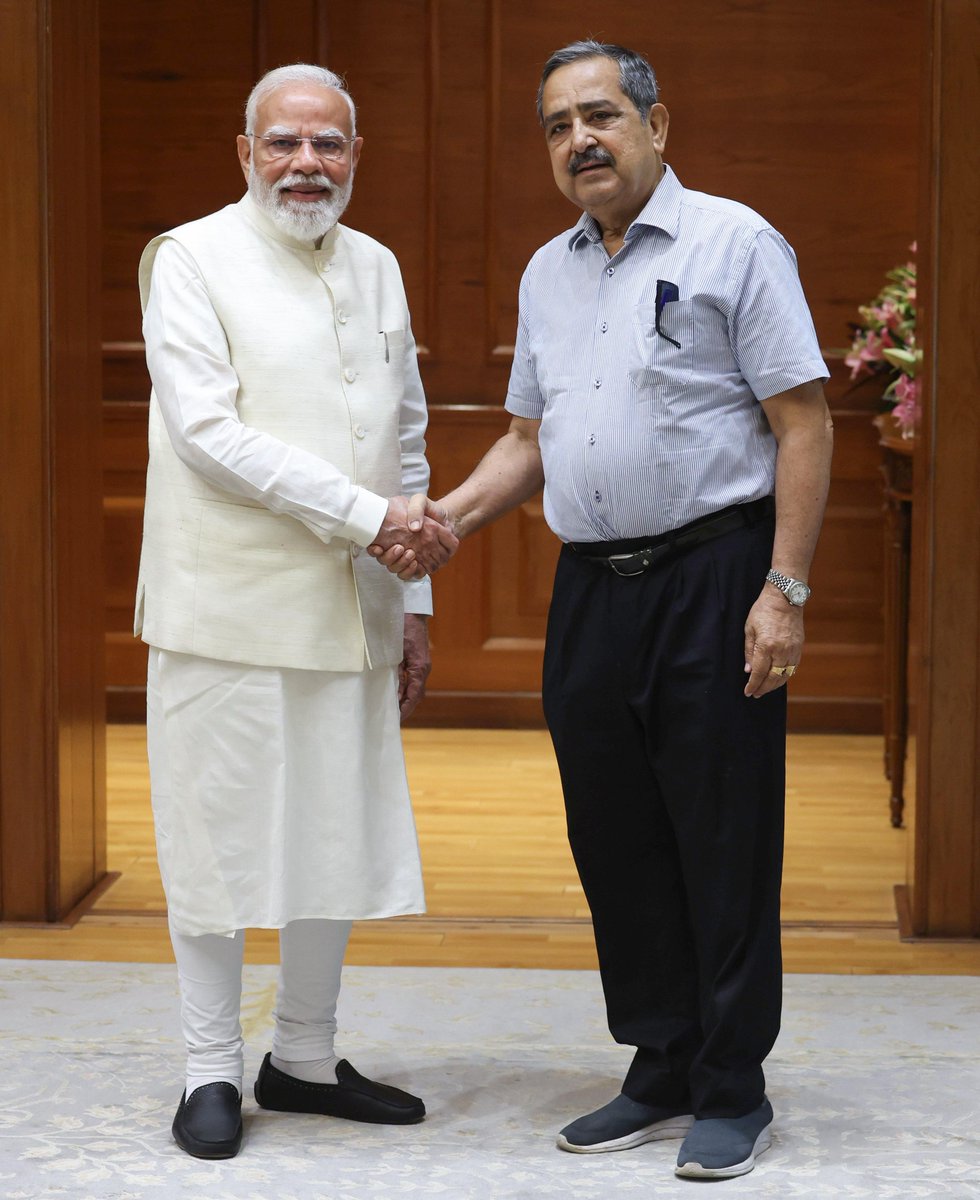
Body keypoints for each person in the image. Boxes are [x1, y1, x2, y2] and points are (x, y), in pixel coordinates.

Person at [372, 40, 833, 1182]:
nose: (577, 141)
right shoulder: (547, 272)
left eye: (598, 117)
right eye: (555, 126)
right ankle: (660, 1059)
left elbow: (804, 424)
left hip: (713, 578)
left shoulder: (735, 241)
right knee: (613, 839)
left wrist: (784, 590)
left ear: (654, 125)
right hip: (590, 592)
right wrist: (444, 518)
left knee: (720, 839)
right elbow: (527, 441)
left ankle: (731, 1085)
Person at [136, 62, 456, 1160]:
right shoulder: (189, 259)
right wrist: (374, 518)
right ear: (245, 152)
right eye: (282, 143)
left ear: (356, 156)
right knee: (215, 840)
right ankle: (208, 1071)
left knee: (334, 833)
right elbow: (207, 435)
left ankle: (305, 1058)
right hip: (221, 606)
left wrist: (410, 595)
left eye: (327, 145)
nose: (305, 164)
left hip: (355, 606)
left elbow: (406, 435)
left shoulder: (376, 265)